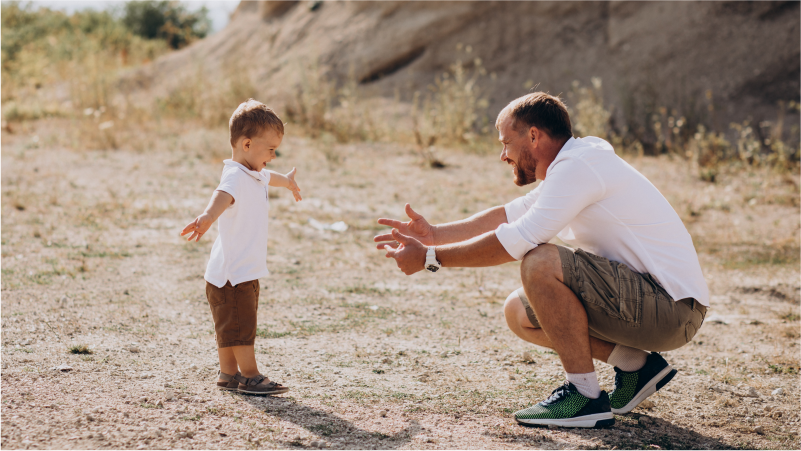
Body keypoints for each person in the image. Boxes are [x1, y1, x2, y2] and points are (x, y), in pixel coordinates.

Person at [374, 92, 708, 428]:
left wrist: (430, 258)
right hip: (654, 304)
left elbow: (518, 238)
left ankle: (585, 397)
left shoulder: (579, 166)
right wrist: (433, 234)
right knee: (519, 312)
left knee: (539, 261)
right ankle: (636, 366)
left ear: (533, 136)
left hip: (674, 309)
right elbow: (508, 214)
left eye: (506, 142)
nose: (503, 155)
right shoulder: (573, 164)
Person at [180, 99, 301, 395]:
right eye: (270, 150)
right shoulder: (234, 175)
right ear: (247, 144)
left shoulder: (253, 172)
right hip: (235, 274)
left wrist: (287, 181)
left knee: (229, 328)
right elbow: (222, 194)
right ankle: (249, 375)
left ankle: (228, 374)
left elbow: (268, 176)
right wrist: (208, 216)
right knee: (242, 326)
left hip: (228, 272)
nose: (272, 157)